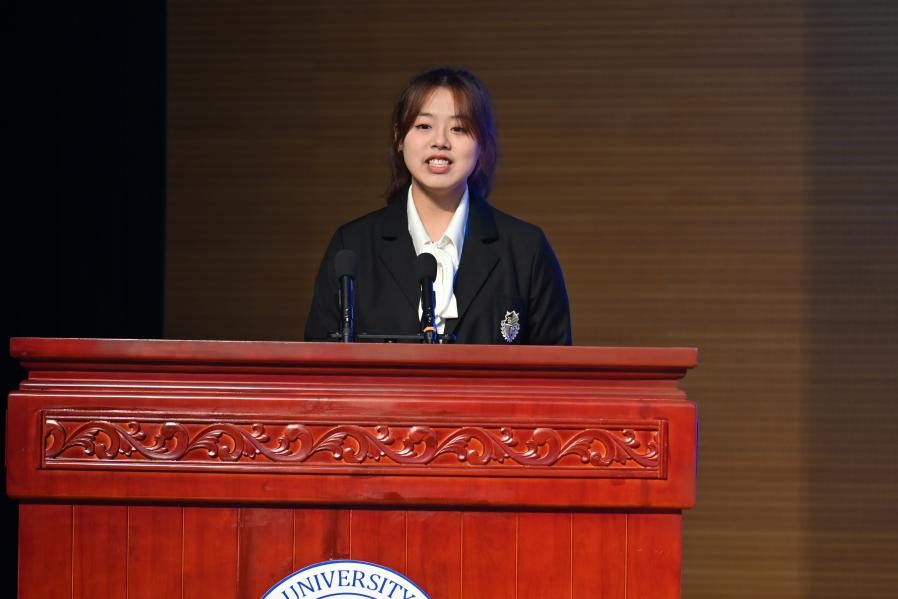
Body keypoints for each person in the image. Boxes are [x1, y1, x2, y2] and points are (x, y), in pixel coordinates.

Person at [304, 68, 572, 345]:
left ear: (482, 144)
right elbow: (317, 358)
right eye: (424, 126)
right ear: (399, 137)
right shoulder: (352, 246)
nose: (440, 142)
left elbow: (556, 364)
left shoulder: (526, 249)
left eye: (459, 128)